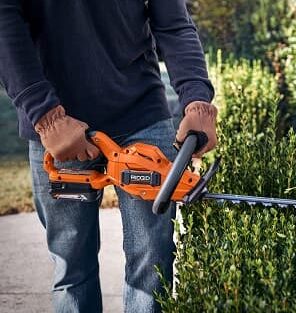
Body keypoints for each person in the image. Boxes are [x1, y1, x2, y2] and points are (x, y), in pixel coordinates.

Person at [0, 0, 217, 312]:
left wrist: (197, 100)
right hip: (59, 129)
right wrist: (46, 115)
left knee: (152, 263)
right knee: (72, 268)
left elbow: (173, 24)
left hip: (141, 115)